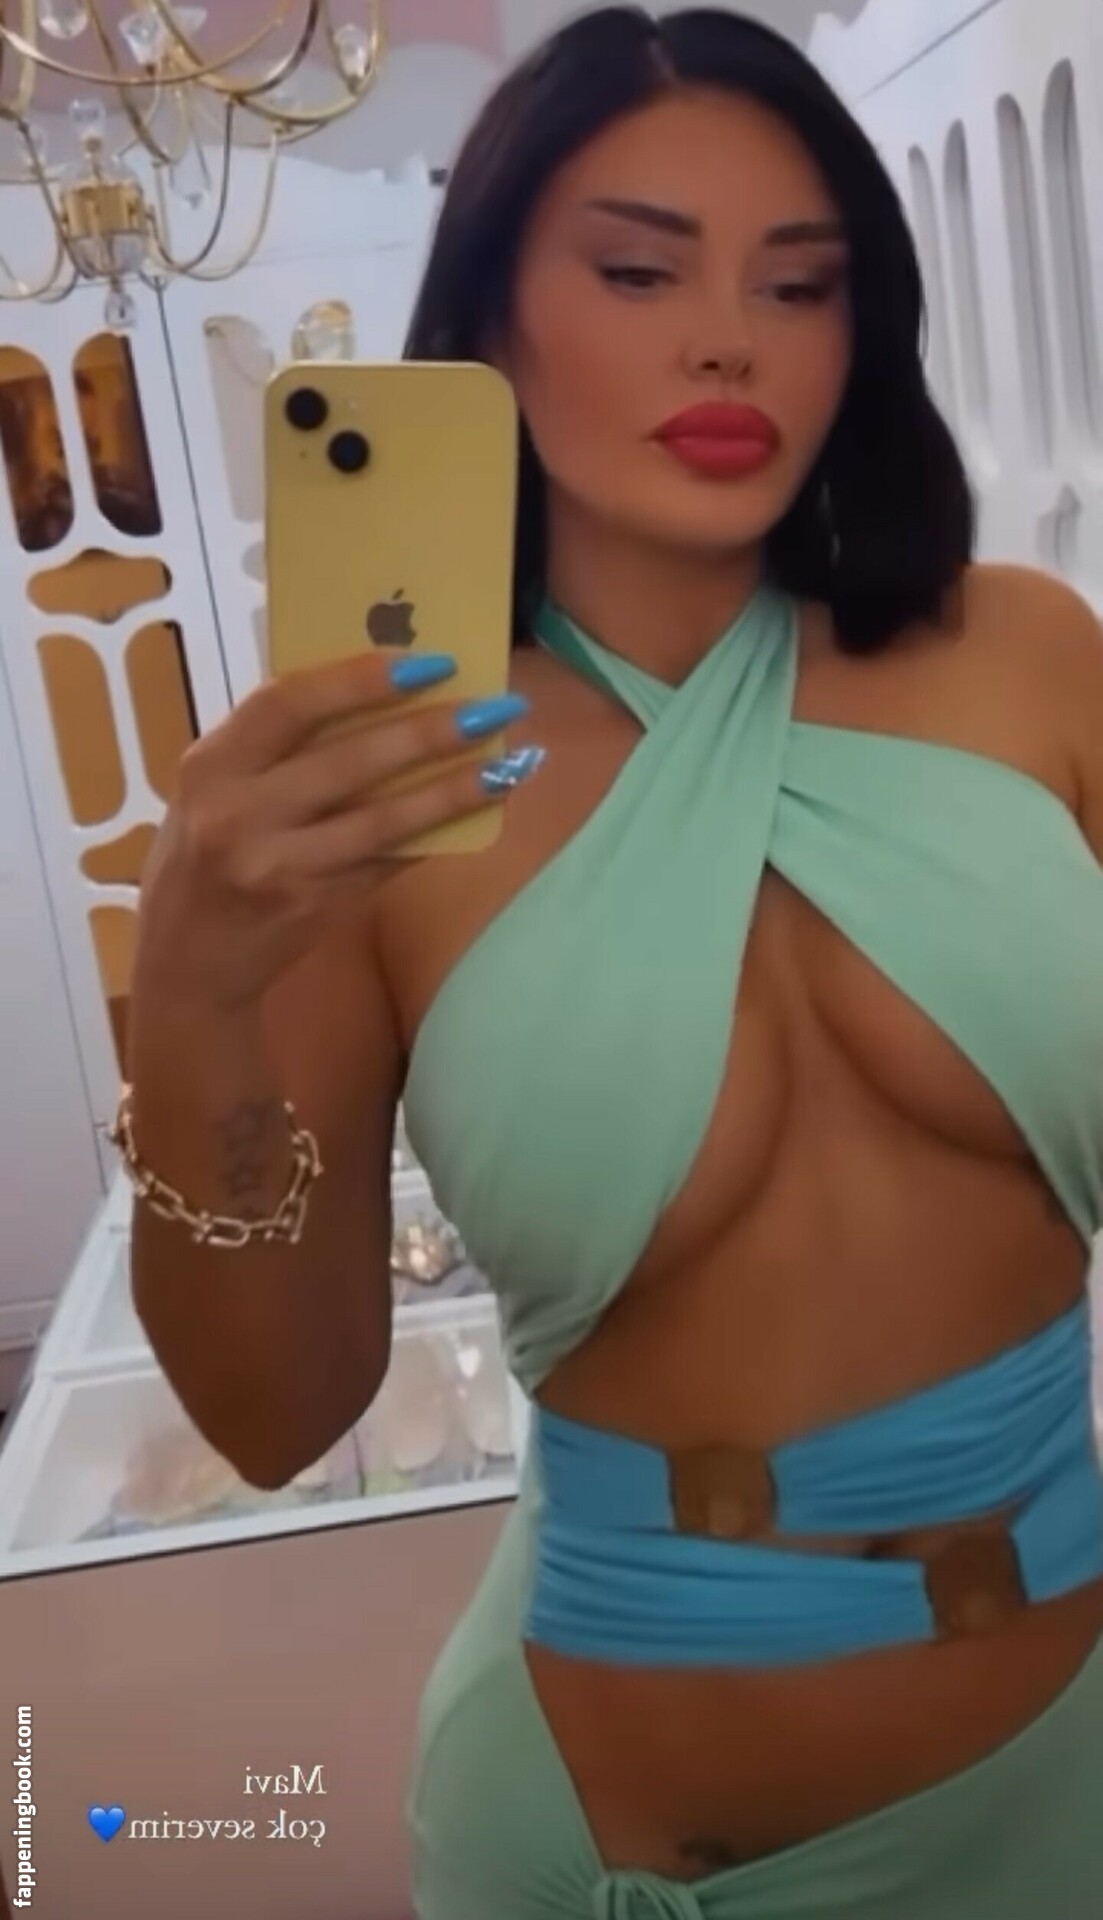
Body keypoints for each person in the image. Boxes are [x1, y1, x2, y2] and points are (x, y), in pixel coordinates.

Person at [123, 10, 1103, 1917]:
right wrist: (192, 985)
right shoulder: (388, 788)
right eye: (642, 272)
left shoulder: (1029, 663)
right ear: (491, 322)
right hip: (627, 1846)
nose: (730, 340)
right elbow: (273, 1414)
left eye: (798, 283)